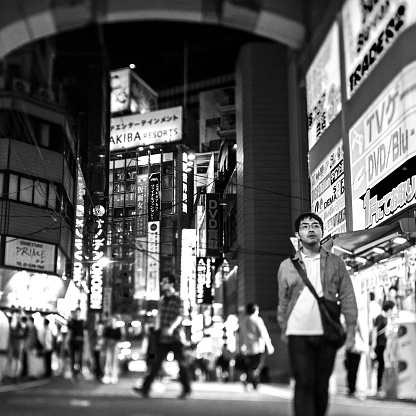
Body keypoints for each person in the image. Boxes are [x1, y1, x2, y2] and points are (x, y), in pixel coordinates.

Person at [277, 212, 358, 416]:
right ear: (298, 234)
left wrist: (351, 331)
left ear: (322, 231)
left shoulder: (336, 263)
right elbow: (283, 301)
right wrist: (284, 327)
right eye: (305, 226)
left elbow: (348, 298)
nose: (311, 229)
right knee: (304, 382)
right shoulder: (287, 266)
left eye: (315, 225)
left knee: (321, 386)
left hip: (327, 333)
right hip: (298, 333)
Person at [133, 273, 191, 399]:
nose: (162, 284)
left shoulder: (178, 299)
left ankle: (186, 389)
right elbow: (159, 316)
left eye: (164, 282)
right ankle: (145, 388)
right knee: (156, 363)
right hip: (163, 338)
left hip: (175, 337)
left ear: (171, 284)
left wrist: (171, 328)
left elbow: (180, 316)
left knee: (181, 363)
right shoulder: (162, 300)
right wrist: (155, 330)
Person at [239, 302, 274, 390]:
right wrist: (269, 345)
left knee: (251, 365)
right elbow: (263, 333)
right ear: (255, 310)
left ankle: (255, 383)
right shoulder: (257, 319)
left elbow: (241, 335)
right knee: (257, 365)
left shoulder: (243, 320)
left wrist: (240, 346)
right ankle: (248, 381)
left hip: (247, 347)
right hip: (257, 346)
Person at [371, 300, 395, 396]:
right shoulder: (380, 318)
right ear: (389, 309)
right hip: (379, 345)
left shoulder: (385, 318)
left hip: (383, 345)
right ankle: (378, 387)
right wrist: (373, 345)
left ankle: (379, 386)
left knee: (381, 366)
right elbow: (374, 331)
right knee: (379, 366)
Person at [344, 323, 367, 398]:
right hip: (353, 350)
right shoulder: (350, 327)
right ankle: (351, 389)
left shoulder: (349, 327)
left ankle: (351, 389)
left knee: (352, 371)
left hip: (353, 350)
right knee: (352, 371)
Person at [66, 308, 87, 381]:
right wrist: (66, 342)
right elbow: (69, 332)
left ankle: (79, 373)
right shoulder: (71, 322)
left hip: (80, 342)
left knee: (80, 358)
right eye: (76, 312)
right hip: (73, 341)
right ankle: (73, 373)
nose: (77, 313)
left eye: (78, 312)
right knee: (72, 358)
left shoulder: (83, 322)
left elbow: (85, 333)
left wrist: (86, 343)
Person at [5, 311, 26, 382]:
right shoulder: (12, 324)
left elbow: (22, 331)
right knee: (10, 360)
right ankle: (9, 376)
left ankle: (15, 376)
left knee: (17, 361)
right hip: (12, 344)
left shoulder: (21, 325)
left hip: (17, 345)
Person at [102, 315, 122, 384]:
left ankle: (114, 375)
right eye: (112, 320)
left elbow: (119, 338)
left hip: (115, 346)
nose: (113, 322)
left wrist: (114, 342)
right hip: (109, 346)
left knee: (114, 361)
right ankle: (107, 375)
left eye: (114, 320)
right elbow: (105, 337)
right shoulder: (108, 329)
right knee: (108, 360)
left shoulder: (118, 329)